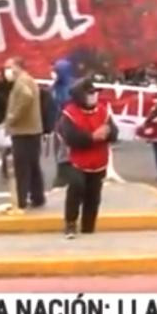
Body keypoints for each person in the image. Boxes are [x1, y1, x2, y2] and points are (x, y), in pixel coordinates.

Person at [57, 79, 119, 239]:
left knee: (94, 194)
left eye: (95, 93)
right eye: (90, 93)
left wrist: (109, 132)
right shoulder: (69, 113)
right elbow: (70, 137)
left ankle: (88, 226)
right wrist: (92, 137)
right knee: (76, 189)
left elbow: (114, 133)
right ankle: (70, 223)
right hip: (75, 161)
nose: (94, 96)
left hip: (98, 161)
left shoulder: (103, 111)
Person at [4, 57, 46, 209]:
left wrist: (13, 117)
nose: (7, 71)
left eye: (9, 67)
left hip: (23, 130)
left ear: (17, 66)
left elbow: (26, 97)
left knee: (22, 167)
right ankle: (38, 197)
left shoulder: (22, 82)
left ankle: (21, 200)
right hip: (32, 129)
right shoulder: (29, 80)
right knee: (33, 165)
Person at [50, 58, 75, 188]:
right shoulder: (55, 86)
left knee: (66, 150)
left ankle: (65, 176)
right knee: (59, 149)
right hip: (57, 122)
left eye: (56, 71)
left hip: (67, 123)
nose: (53, 73)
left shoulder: (71, 88)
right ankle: (62, 175)